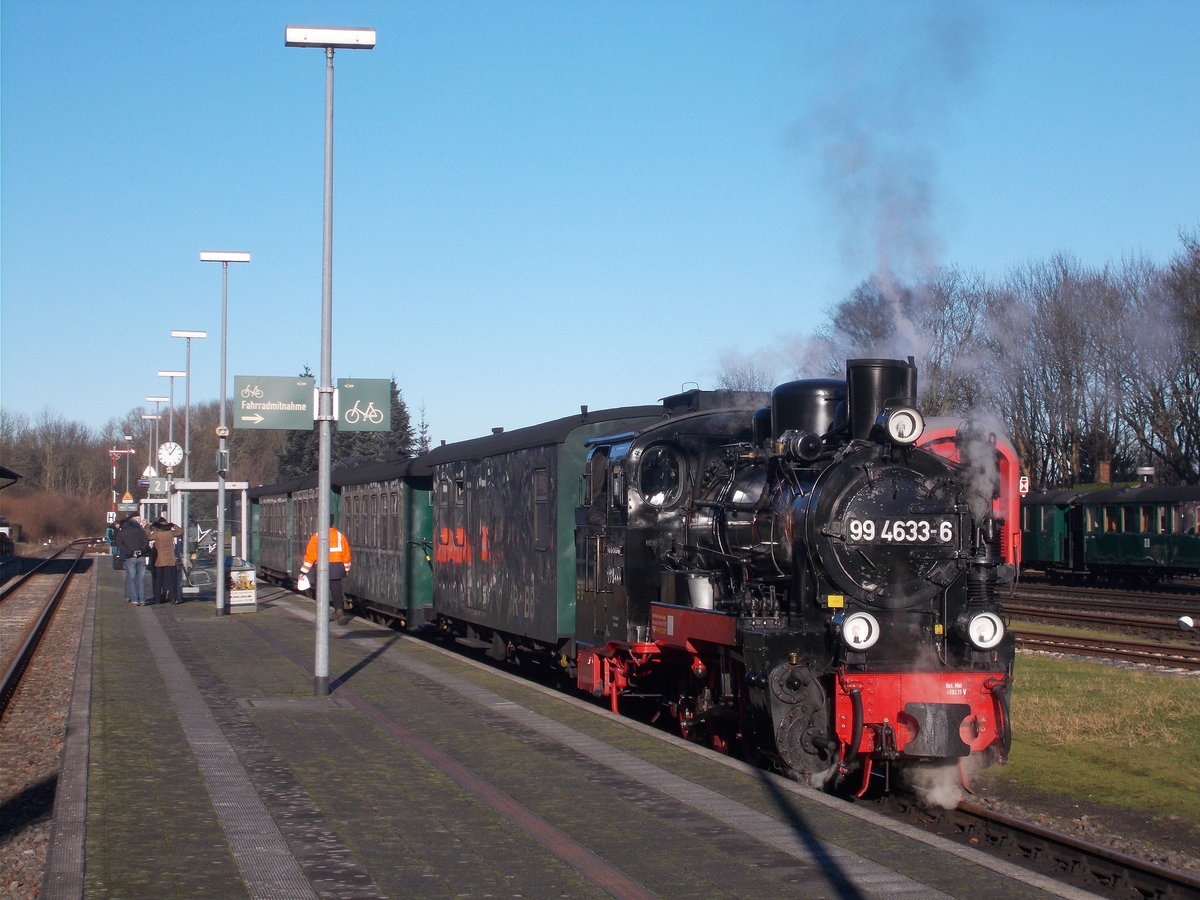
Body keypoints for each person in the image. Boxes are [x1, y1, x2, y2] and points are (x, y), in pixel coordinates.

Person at [299, 517, 353, 625]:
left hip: (321, 568)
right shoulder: (339, 536)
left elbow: (311, 556)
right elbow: (346, 554)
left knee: (321, 593)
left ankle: (323, 616)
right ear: (332, 523)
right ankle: (340, 613)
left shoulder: (317, 536)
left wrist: (304, 571)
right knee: (336, 592)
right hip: (337, 567)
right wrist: (346, 569)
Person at [114, 514, 151, 606]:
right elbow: (146, 542)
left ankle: (134, 600)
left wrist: (130, 552)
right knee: (141, 579)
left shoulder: (122, 532)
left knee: (132, 578)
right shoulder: (140, 531)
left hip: (130, 557)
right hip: (141, 557)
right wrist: (141, 550)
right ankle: (142, 600)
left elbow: (120, 544)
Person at [146, 516, 185, 604]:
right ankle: (172, 598)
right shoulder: (170, 532)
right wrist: (173, 525)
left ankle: (158, 599)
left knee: (158, 580)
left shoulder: (156, 533)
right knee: (170, 580)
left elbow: (148, 537)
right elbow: (181, 531)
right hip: (170, 560)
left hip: (159, 560)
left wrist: (147, 528)